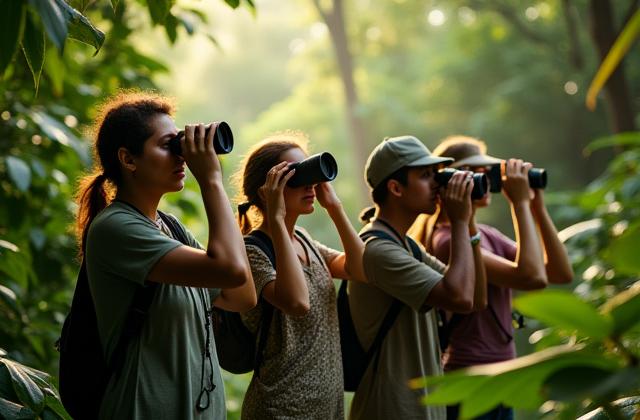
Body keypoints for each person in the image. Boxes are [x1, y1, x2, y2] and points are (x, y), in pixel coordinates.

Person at [77, 91, 256, 419]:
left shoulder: (169, 228)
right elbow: (231, 270)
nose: (183, 157)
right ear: (128, 159)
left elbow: (242, 295)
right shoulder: (115, 228)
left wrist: (214, 183)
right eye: (168, 146)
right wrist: (212, 181)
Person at [409, 135, 573, 420]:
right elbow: (531, 278)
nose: (487, 178)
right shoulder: (448, 241)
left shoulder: (485, 235)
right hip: (470, 378)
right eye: (476, 172)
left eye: (488, 171)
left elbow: (558, 272)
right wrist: (519, 204)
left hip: (499, 374)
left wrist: (536, 206)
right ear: (451, 180)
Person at [348, 135, 486, 420]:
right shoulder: (377, 250)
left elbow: (475, 299)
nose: (436, 183)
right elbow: (458, 296)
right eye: (425, 175)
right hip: (393, 410)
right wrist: (459, 221)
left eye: (436, 174)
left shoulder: (408, 247)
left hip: (424, 409)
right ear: (396, 188)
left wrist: (469, 221)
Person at [233, 132, 367, 420]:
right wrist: (277, 219)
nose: (310, 185)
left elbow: (361, 269)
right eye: (295, 176)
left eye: (309, 171)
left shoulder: (304, 240)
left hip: (327, 406)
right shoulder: (252, 251)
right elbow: (296, 302)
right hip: (281, 408)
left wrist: (335, 207)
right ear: (266, 190)